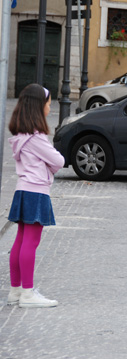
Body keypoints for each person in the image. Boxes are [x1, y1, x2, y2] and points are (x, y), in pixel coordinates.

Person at [5, 84, 64, 308]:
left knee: (20, 240)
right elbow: (59, 161)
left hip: (22, 189)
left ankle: (16, 290)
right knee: (31, 241)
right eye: (48, 103)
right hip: (36, 191)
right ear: (39, 107)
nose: (50, 107)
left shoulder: (21, 136)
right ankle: (28, 295)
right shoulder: (36, 138)